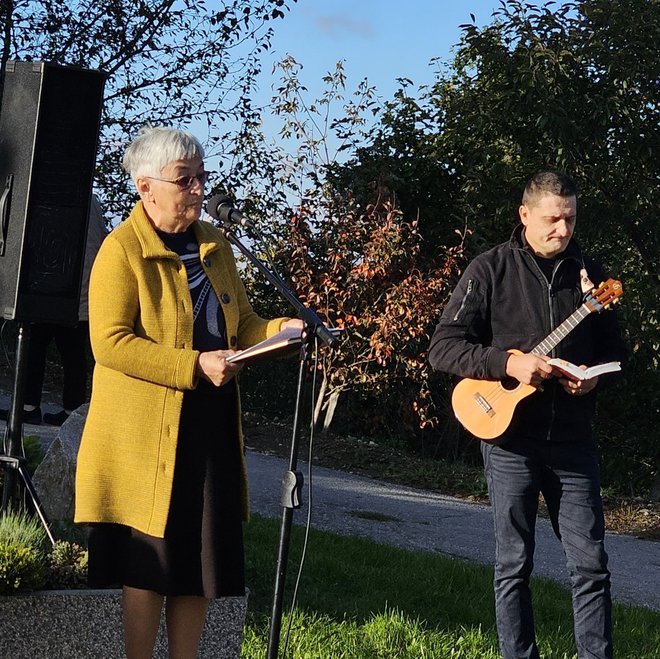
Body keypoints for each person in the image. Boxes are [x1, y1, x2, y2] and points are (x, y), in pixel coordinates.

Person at [74, 126, 301, 659]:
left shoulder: (215, 246)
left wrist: (280, 331)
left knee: (199, 563)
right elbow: (109, 343)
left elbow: (241, 323)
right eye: (185, 179)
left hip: (210, 426)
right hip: (147, 436)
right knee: (150, 564)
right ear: (145, 186)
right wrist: (193, 363)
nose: (199, 189)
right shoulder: (120, 250)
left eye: (201, 176)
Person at [428, 171, 626, 659]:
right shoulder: (489, 269)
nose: (563, 230)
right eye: (552, 219)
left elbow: (618, 353)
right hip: (508, 439)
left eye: (571, 218)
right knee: (514, 563)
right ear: (524, 215)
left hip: (573, 440)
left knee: (592, 565)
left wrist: (597, 378)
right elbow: (443, 348)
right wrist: (508, 362)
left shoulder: (591, 275)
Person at [0, 196, 106, 426]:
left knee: (35, 346)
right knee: (73, 353)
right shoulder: (92, 202)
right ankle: (72, 411)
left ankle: (28, 406)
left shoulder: (52, 194)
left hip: (52, 288)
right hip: (82, 291)